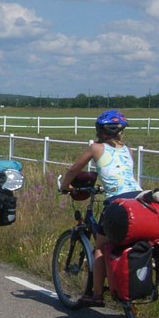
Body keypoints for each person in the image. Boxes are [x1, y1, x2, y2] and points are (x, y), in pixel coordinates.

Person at [59, 109, 143, 307]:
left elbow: (73, 169)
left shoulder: (96, 148)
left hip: (117, 202)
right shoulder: (128, 150)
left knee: (101, 247)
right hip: (139, 199)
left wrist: (65, 186)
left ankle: (96, 295)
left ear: (100, 131)